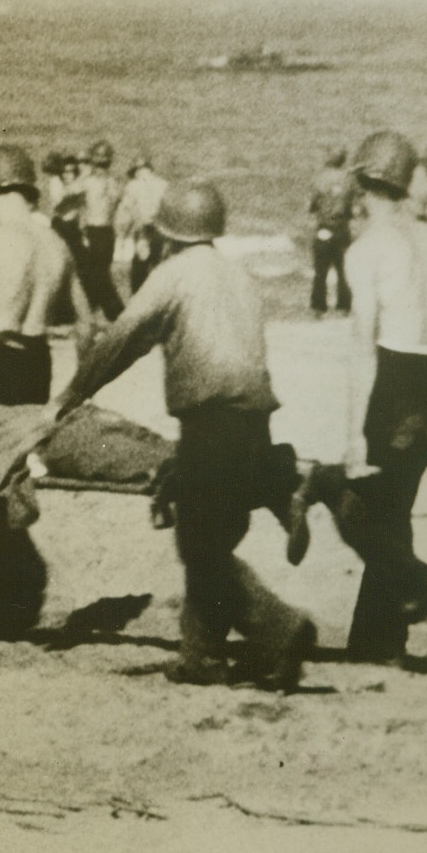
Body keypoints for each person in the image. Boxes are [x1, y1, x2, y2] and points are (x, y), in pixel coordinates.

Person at [50, 180, 317, 691]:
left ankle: (281, 627)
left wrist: (70, 397)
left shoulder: (172, 275)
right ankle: (203, 657)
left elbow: (121, 340)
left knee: (198, 543)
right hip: (256, 421)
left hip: (211, 423)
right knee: (212, 535)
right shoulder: (237, 275)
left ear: (167, 233)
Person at [293, 131, 427, 665]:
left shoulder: (365, 250)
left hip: (392, 385)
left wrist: (352, 437)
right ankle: (376, 639)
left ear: (362, 185)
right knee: (394, 510)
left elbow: (363, 351)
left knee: (357, 508)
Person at [0, 144, 93, 637]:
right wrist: (74, 394)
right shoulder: (56, 245)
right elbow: (86, 325)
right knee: (15, 478)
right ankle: (17, 599)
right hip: (39, 364)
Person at [76, 139, 125, 321]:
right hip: (108, 232)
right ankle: (93, 311)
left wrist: (83, 174)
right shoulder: (114, 183)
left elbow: (69, 193)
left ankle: (116, 313)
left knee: (98, 276)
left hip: (93, 231)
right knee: (100, 273)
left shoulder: (89, 182)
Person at [306, 146, 355, 314]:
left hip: (324, 226)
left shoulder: (320, 178)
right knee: (343, 271)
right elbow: (352, 204)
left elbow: (312, 205)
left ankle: (318, 307)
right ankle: (343, 307)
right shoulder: (348, 178)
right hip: (341, 226)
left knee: (320, 271)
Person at [113, 153, 169, 293]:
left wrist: (122, 235)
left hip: (143, 230)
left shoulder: (133, 186)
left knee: (139, 269)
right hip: (161, 230)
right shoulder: (163, 184)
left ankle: (138, 299)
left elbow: (126, 212)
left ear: (137, 171)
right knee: (158, 265)